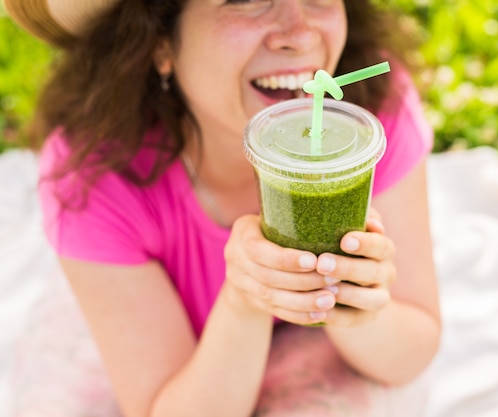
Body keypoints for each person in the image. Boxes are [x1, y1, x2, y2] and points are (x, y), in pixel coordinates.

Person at [5, 0, 440, 415]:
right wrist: (245, 299)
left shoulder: (369, 116)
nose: (300, 33)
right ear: (159, 41)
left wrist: (351, 304)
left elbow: (410, 353)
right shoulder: (97, 177)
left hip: (322, 346)